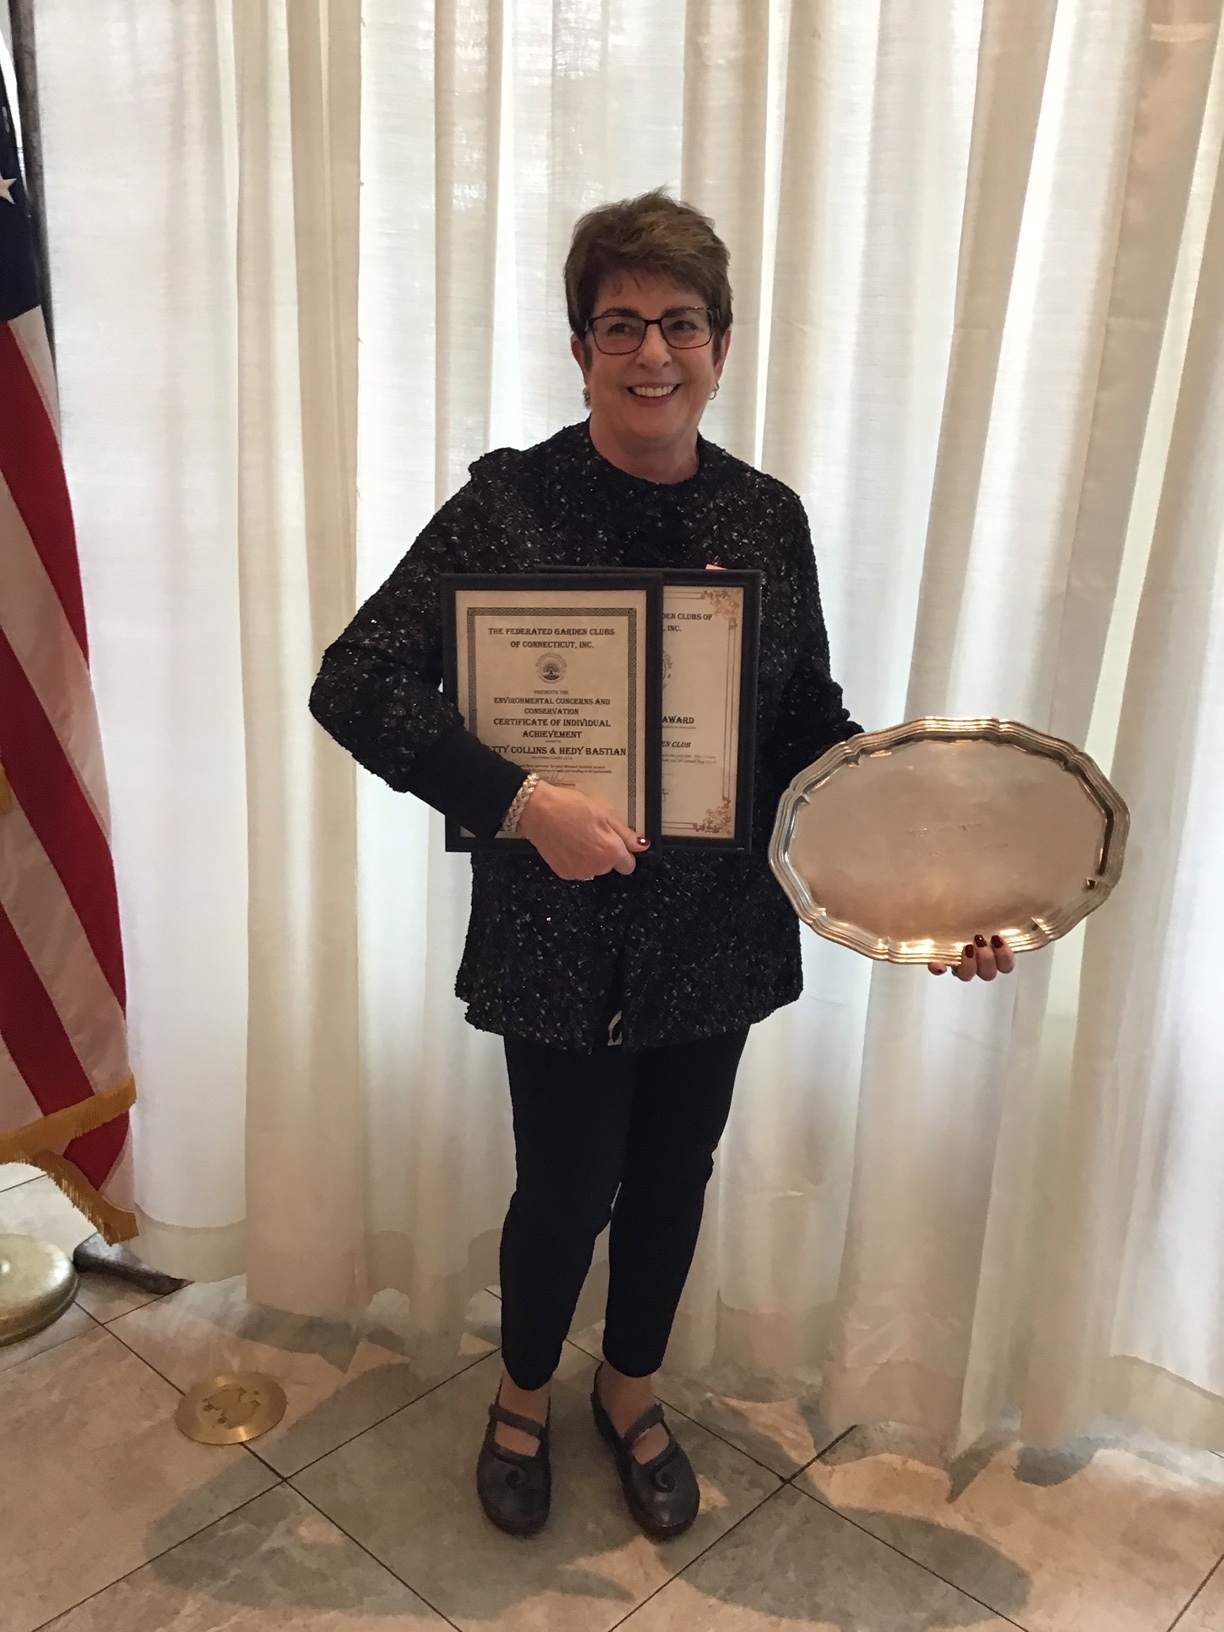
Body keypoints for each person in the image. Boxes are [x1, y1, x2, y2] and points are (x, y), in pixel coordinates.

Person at [309, 189, 1014, 1541]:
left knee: (675, 1179)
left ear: (722, 345)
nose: (651, 354)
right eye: (620, 324)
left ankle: (628, 1391)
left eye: (679, 324)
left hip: (713, 930)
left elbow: (805, 725)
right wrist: (519, 803)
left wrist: (939, 890)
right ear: (580, 349)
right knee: (563, 1188)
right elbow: (361, 683)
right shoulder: (507, 507)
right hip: (559, 925)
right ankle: (522, 1392)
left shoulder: (765, 518)